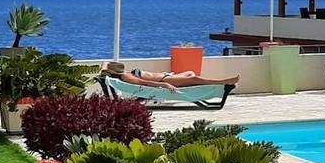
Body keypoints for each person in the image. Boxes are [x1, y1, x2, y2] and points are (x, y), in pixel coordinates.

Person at [101, 61, 239, 93]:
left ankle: (224, 82)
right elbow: (145, 83)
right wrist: (164, 84)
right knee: (195, 79)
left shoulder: (120, 74)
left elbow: (104, 64)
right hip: (164, 80)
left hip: (166, 76)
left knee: (190, 72)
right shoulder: (126, 77)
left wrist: (106, 68)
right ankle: (224, 82)